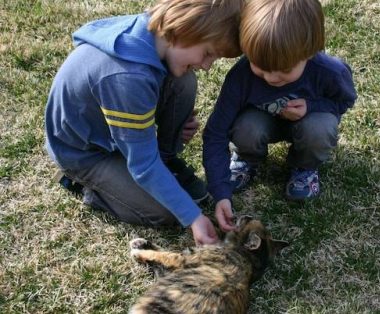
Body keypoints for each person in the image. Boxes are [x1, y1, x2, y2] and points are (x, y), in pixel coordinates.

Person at [45, 0, 243, 245]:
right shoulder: (128, 78)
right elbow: (143, 165)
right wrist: (193, 217)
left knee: (183, 81)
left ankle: (167, 161)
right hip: (87, 153)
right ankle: (92, 189)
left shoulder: (154, 32)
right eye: (208, 53)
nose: (207, 66)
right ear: (185, 29)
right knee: (167, 212)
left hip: (112, 129)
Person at [203, 0, 357, 231]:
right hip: (261, 122)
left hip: (309, 123)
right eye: (260, 68)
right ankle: (247, 158)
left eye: (285, 70)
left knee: (320, 127)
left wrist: (312, 106)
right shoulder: (241, 76)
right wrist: (220, 191)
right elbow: (216, 132)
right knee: (247, 126)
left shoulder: (330, 72)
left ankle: (305, 168)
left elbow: (345, 100)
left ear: (309, 52)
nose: (272, 78)